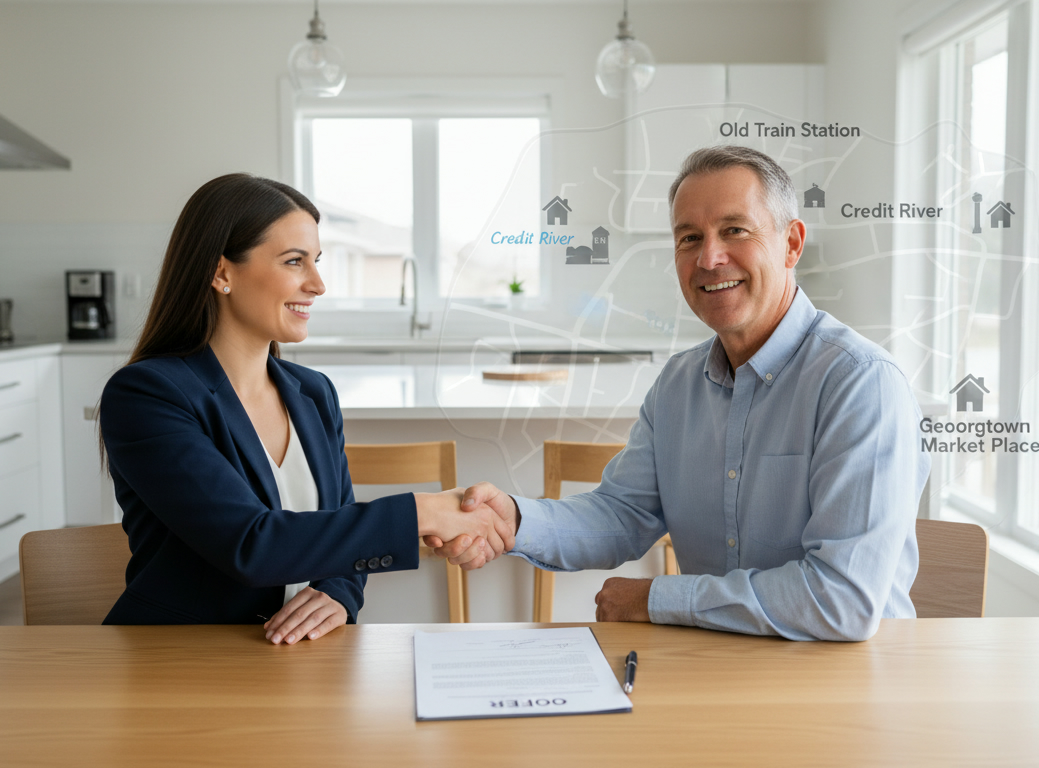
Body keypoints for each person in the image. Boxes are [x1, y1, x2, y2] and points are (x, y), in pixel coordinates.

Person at [433, 146, 929, 641]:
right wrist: (515, 519)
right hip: (712, 668)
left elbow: (839, 600)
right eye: (689, 238)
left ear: (791, 245)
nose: (709, 258)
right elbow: (622, 514)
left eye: (735, 230)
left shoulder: (860, 383)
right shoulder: (678, 384)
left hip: (844, 685)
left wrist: (656, 599)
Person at [99, 173, 513, 643]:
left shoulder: (313, 393)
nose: (317, 284)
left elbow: (336, 520)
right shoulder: (147, 395)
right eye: (295, 262)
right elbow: (251, 543)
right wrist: (424, 511)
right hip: (181, 659)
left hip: (296, 661)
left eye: (316, 261)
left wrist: (337, 591)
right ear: (221, 273)